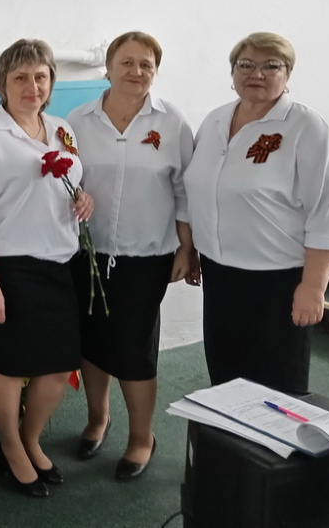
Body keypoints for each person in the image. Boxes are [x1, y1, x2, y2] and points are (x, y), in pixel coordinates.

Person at [0, 38, 94, 498]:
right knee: (10, 368)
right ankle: (12, 447)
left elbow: (70, 182)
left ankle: (30, 439)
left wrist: (83, 198)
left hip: (60, 264)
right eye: (20, 77)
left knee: (57, 367)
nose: (32, 86)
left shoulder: (61, 130)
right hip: (9, 269)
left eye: (40, 76)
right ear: (3, 84)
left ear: (51, 82)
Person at [184, 32, 329, 396]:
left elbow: (327, 213)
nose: (256, 73)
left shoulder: (306, 127)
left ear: (287, 73)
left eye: (270, 66)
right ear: (232, 71)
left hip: (278, 281)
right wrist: (192, 250)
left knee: (277, 388)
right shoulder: (215, 120)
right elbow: (198, 191)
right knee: (225, 378)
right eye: (245, 64)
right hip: (219, 274)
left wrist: (313, 287)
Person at [66, 31, 195, 480]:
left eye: (146, 65)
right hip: (88, 251)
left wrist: (187, 247)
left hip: (147, 255)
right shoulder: (78, 121)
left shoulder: (172, 122)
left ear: (155, 72)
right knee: (93, 342)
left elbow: (185, 190)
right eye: (126, 62)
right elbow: (66, 182)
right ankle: (97, 419)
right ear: (108, 68)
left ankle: (141, 438)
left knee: (134, 348)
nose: (136, 71)